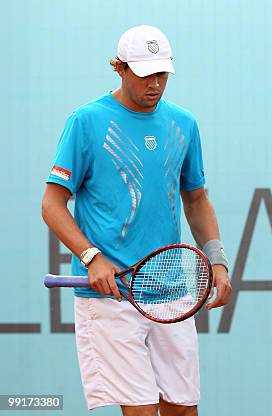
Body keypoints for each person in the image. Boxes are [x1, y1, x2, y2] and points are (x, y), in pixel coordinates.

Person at [41, 25, 231, 416]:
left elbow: (196, 199)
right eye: (145, 75)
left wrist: (217, 258)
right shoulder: (86, 121)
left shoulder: (184, 124)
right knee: (141, 411)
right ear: (120, 68)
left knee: (182, 410)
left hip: (171, 294)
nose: (155, 84)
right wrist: (91, 256)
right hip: (111, 298)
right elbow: (52, 204)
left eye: (162, 74)